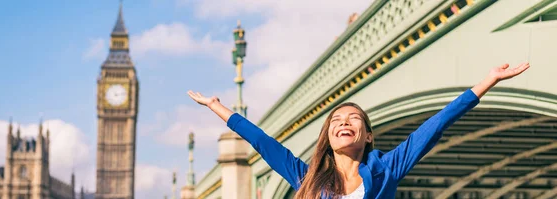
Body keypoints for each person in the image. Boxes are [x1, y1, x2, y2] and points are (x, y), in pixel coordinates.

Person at [187, 63, 530, 199]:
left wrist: (487, 82)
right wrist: (218, 107)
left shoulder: (386, 169)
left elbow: (435, 126)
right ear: (329, 136)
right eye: (336, 121)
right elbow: (262, 143)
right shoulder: (305, 178)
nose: (343, 123)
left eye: (353, 119)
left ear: (368, 136)